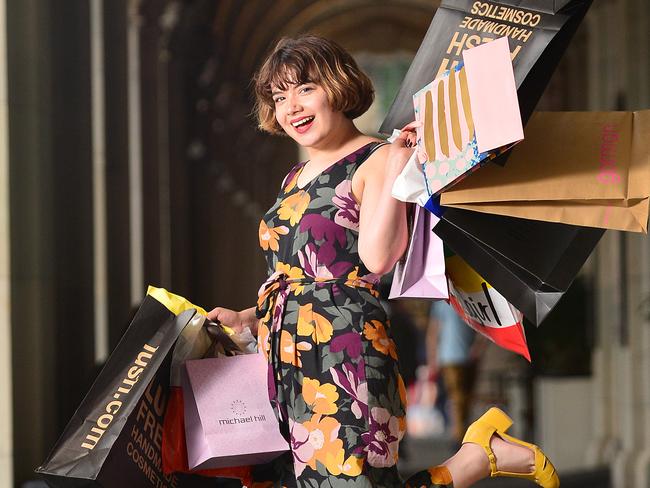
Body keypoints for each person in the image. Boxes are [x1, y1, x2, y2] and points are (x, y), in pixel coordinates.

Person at [207, 35, 558, 488]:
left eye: (305, 88)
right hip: (286, 358)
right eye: (279, 96)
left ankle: (472, 461)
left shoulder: (375, 158)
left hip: (344, 349)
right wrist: (247, 317)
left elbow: (377, 258)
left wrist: (396, 166)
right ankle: (476, 456)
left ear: (338, 87)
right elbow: (297, 276)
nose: (291, 105)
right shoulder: (295, 175)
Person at [428, 300, 487, 446]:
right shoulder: (445, 303)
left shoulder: (467, 299)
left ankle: (462, 433)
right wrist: (432, 359)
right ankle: (459, 436)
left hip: (466, 357)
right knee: (457, 397)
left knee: (465, 398)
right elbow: (433, 332)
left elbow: (433, 332)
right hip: (450, 357)